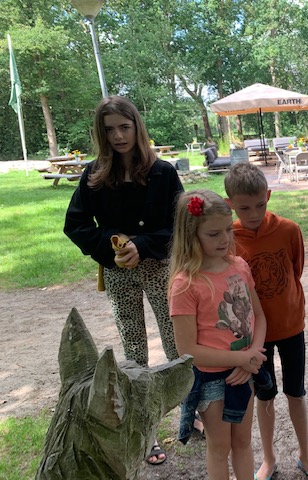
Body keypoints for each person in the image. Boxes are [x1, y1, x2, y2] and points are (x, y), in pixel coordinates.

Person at [64, 95, 184, 465]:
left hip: (159, 267)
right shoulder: (95, 175)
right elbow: (76, 225)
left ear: (137, 127)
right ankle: (145, 429)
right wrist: (111, 244)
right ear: (101, 133)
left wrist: (143, 245)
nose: (118, 136)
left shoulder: (162, 172)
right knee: (133, 352)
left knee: (176, 341)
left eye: (124, 127)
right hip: (118, 273)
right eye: (109, 129)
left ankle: (191, 411)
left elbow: (180, 225)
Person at [224, 163, 308, 480]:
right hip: (254, 335)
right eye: (244, 207)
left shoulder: (289, 230)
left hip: (290, 327)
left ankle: (306, 456)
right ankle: (269, 459)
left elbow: (294, 270)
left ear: (269, 196)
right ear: (230, 204)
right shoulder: (228, 237)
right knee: (265, 396)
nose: (253, 212)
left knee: (296, 392)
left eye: (260, 204)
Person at [168, 189, 268, 480]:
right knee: (220, 446)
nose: (225, 239)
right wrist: (243, 357)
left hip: (246, 370)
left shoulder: (239, 266)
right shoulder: (185, 284)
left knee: (243, 442)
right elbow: (187, 349)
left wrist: (252, 358)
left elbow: (259, 316)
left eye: (227, 229)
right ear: (191, 235)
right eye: (213, 234)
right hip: (213, 379)